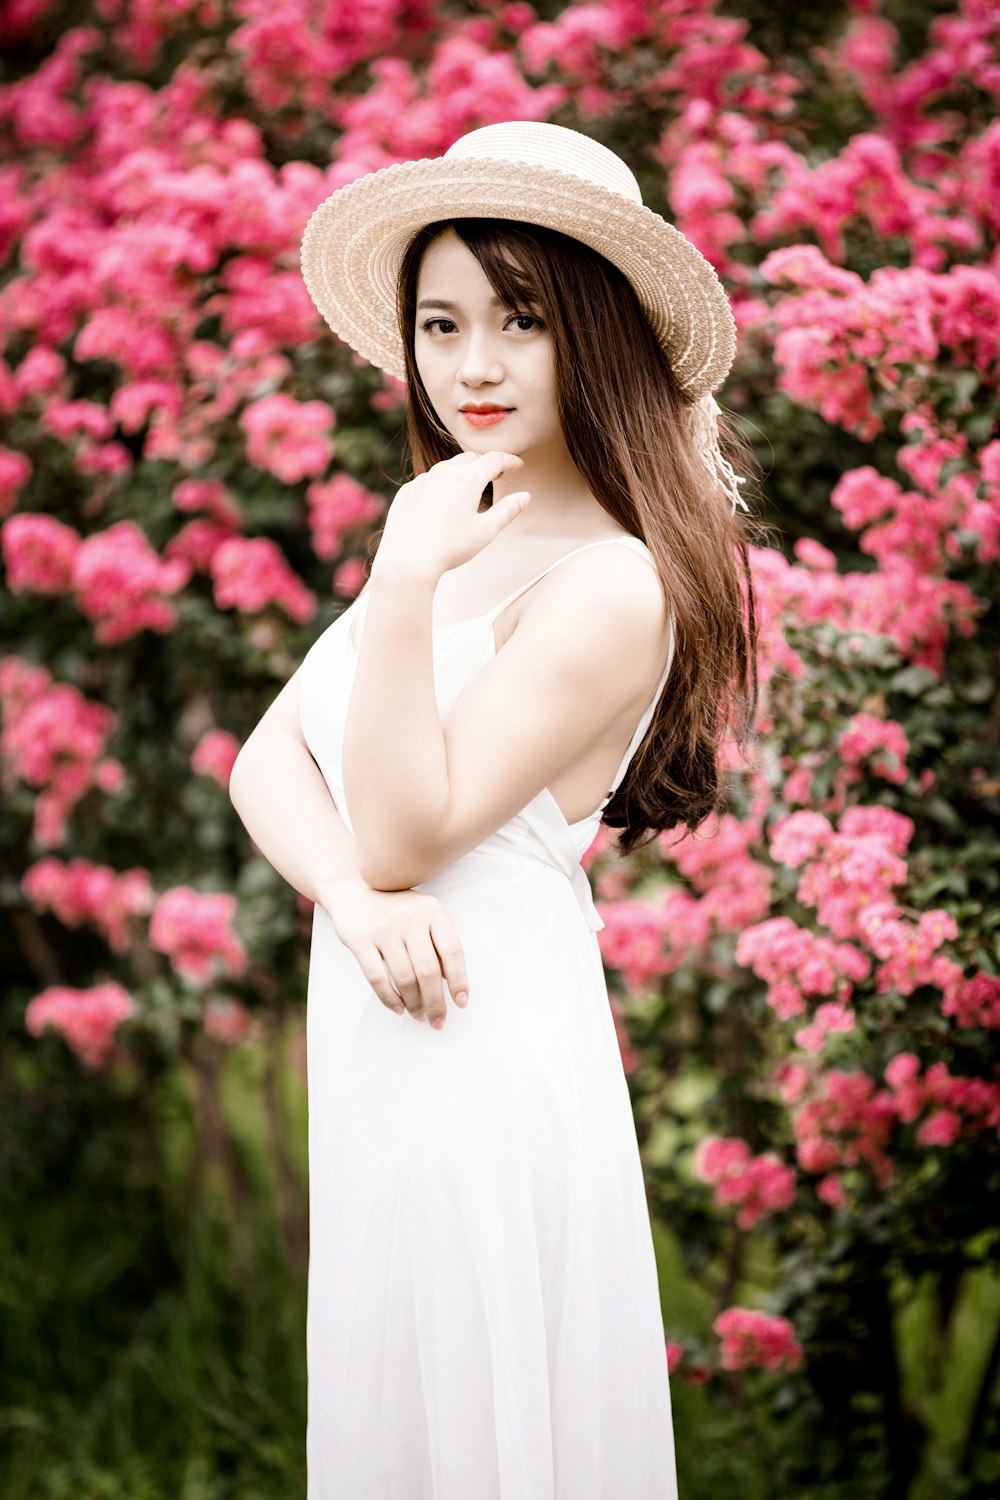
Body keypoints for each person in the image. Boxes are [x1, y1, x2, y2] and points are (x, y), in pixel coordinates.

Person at [229, 120, 759, 1500]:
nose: (471, 366)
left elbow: (409, 827)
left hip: (478, 1030)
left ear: (597, 330)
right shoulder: (455, 525)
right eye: (441, 323)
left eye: (520, 321)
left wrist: (400, 589)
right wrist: (346, 901)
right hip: (380, 1017)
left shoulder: (608, 582)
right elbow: (267, 759)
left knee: (481, 1405)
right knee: (398, 1394)